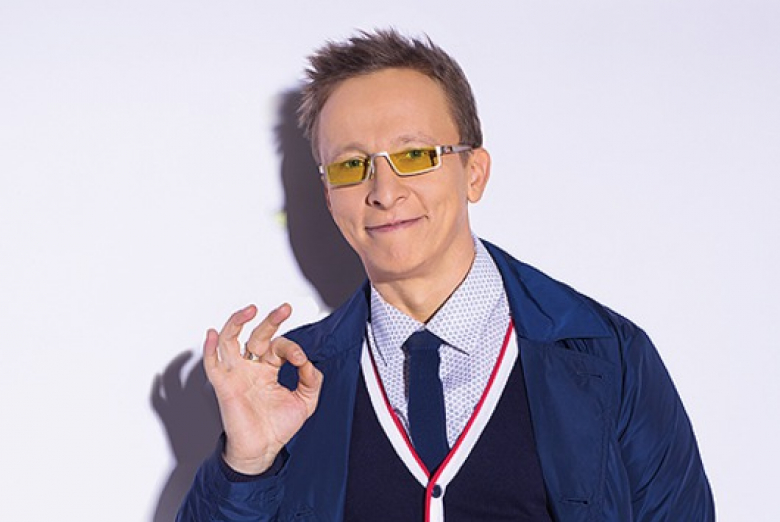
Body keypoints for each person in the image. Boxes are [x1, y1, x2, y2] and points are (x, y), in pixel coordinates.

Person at [176, 29, 714, 522]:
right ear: (328, 196)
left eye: (415, 155)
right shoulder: (291, 379)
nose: (384, 192)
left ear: (474, 173)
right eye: (351, 165)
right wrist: (247, 466)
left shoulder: (607, 355)